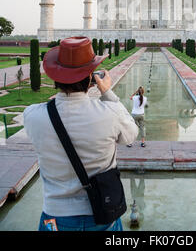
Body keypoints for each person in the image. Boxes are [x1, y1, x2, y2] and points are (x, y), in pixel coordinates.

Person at [23, 36, 138, 232]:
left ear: (55, 78)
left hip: (55, 218)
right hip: (103, 214)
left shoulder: (32, 115)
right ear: (90, 79)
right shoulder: (110, 113)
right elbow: (131, 135)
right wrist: (107, 92)